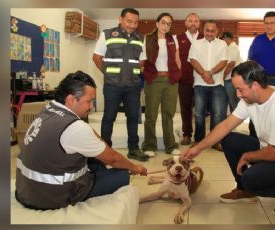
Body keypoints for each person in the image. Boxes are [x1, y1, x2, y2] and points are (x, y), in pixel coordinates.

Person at [183, 61, 275, 216]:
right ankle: (245, 191)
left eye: (240, 89)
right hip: (268, 149)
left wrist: (247, 156)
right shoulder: (249, 100)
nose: (237, 94)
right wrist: (198, 148)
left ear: (255, 85)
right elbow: (224, 126)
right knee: (228, 139)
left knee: (250, 179)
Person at [15, 71, 148, 210]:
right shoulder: (74, 128)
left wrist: (99, 146)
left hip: (26, 189)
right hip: (52, 197)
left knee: (96, 156)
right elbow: (113, 159)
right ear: (72, 99)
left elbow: (90, 133)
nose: (91, 107)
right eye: (89, 101)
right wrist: (134, 167)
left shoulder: (49, 108)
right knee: (122, 174)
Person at [92, 8, 148, 161]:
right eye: (129, 21)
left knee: (133, 117)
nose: (132, 25)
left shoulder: (140, 38)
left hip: (133, 86)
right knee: (109, 117)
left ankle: (134, 149)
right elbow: (97, 57)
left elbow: (142, 60)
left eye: (135, 22)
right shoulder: (107, 34)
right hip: (112, 85)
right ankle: (105, 150)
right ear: (120, 19)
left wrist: (134, 72)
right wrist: (109, 74)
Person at [141, 13, 182, 157]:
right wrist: (146, 75)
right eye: (163, 22)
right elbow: (142, 62)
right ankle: (149, 145)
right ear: (157, 23)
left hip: (170, 80)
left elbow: (177, 59)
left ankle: (170, 145)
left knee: (168, 114)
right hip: (153, 80)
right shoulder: (147, 39)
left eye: (168, 24)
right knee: (151, 115)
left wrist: (178, 75)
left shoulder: (173, 39)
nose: (165, 26)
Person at [188, 20, 228, 151]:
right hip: (200, 84)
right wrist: (204, 74)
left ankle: (215, 141)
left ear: (217, 32)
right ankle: (199, 140)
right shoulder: (196, 43)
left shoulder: (222, 44)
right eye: (207, 30)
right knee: (199, 114)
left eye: (212, 31)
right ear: (203, 30)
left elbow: (223, 62)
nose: (209, 33)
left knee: (218, 115)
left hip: (217, 84)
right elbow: (193, 60)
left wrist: (209, 73)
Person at [176, 13, 204, 145]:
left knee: (200, 109)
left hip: (202, 80)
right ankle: (187, 134)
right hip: (184, 80)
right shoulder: (178, 38)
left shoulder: (205, 38)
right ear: (185, 23)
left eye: (196, 21)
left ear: (199, 24)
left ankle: (200, 137)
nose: (193, 23)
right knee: (185, 108)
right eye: (190, 21)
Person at [221, 31, 242, 112]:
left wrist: (223, 76)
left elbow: (231, 64)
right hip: (229, 78)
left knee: (233, 102)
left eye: (223, 39)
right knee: (231, 101)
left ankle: (236, 120)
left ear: (226, 38)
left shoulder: (232, 47)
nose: (222, 41)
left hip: (230, 78)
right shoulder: (230, 47)